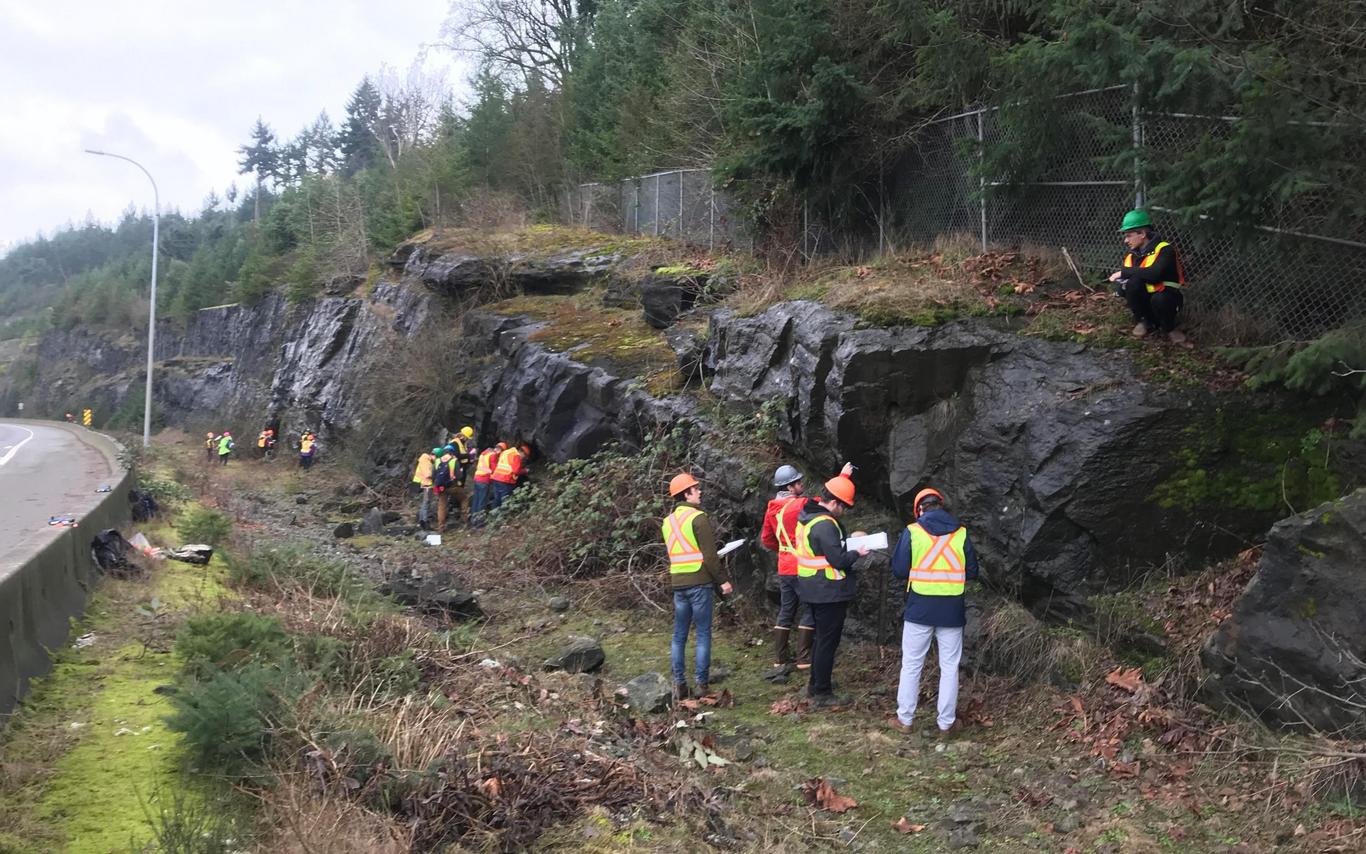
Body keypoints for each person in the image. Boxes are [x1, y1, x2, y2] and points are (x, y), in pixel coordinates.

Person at [888, 488, 981, 737]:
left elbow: (898, 570)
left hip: (919, 608)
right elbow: (972, 570)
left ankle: (905, 720)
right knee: (949, 667)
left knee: (911, 664)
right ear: (941, 505)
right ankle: (946, 725)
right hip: (951, 609)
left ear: (919, 509)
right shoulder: (961, 533)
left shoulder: (913, 531)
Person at [759, 462, 852, 673]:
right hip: (802, 566)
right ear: (790, 488)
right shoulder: (800, 505)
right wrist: (843, 477)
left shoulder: (771, 509)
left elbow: (767, 540)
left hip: (784, 566)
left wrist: (784, 549)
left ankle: (780, 659)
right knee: (809, 609)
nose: (801, 484)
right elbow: (828, 501)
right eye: (798, 482)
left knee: (786, 609)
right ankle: (803, 658)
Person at [794, 473, 870, 709]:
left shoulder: (807, 517)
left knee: (820, 640)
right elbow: (838, 560)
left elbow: (823, 550)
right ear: (835, 502)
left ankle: (815, 685)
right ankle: (822, 693)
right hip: (828, 592)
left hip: (812, 589)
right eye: (843, 507)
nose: (843, 512)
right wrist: (858, 552)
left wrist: (847, 541)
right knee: (827, 642)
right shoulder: (826, 524)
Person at [662, 473, 733, 701]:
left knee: (679, 635)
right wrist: (722, 580)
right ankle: (702, 684)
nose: (699, 491)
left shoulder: (667, 522)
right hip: (699, 583)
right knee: (703, 634)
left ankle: (679, 684)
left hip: (678, 583)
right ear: (686, 494)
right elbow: (710, 557)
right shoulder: (699, 518)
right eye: (695, 489)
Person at [1108, 209, 1188, 345]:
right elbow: (1124, 289)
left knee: (1160, 298)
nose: (1125, 240)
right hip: (1146, 304)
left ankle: (1169, 328)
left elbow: (1154, 274)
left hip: (1167, 301)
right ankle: (1143, 321)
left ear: (1142, 234)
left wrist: (1123, 273)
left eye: (1128, 235)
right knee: (1133, 282)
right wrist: (1122, 286)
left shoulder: (1164, 249)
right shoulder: (1131, 256)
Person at [434, 445, 471, 533]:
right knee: (464, 498)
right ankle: (464, 520)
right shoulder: (454, 461)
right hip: (452, 486)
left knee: (442, 505)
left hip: (441, 487)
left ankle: (441, 527)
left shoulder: (437, 461)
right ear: (452, 452)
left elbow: (433, 475)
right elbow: (459, 476)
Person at [470, 442, 504, 528]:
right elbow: (493, 469)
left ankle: (473, 520)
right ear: (499, 450)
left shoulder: (483, 454)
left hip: (477, 478)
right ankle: (479, 522)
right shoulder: (493, 455)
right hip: (484, 480)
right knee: (482, 500)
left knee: (476, 500)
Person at [489, 442, 530, 512]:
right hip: (505, 481)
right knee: (505, 500)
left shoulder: (506, 452)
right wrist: (525, 471)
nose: (523, 458)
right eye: (525, 457)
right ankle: (502, 516)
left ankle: (493, 515)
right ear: (522, 452)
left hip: (496, 478)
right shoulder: (516, 455)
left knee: (497, 499)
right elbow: (516, 471)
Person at [412, 447, 438, 528]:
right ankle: (425, 522)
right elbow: (428, 474)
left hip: (425, 483)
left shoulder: (425, 460)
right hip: (427, 484)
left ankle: (422, 521)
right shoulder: (426, 461)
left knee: (424, 503)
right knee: (426, 503)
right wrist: (435, 476)